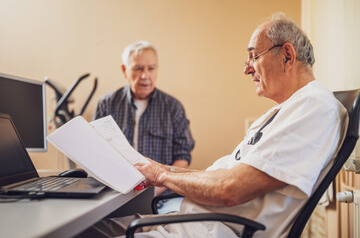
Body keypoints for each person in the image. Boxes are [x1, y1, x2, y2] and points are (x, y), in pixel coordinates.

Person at [82, 14, 348, 237]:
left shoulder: (314, 107)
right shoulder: (285, 111)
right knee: (87, 229)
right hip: (187, 218)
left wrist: (162, 176)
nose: (247, 69)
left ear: (287, 56)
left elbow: (229, 189)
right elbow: (224, 176)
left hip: (208, 230)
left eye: (253, 56)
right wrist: (158, 168)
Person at [93, 41, 195, 213]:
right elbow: (97, 152)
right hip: (115, 195)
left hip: (162, 197)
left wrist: (157, 187)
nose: (145, 75)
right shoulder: (107, 103)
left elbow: (182, 157)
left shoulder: (173, 107)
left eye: (151, 68)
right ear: (125, 70)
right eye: (138, 69)